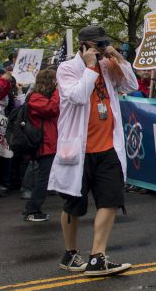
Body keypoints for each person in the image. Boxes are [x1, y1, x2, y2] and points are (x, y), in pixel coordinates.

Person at [51, 25, 139, 276]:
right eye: (96, 46)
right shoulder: (67, 68)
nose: (100, 50)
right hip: (78, 149)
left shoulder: (107, 66)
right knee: (73, 204)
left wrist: (118, 58)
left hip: (109, 146)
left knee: (111, 199)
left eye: (103, 45)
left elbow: (131, 85)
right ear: (84, 45)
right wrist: (90, 67)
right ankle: (70, 253)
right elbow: (77, 96)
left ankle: (98, 256)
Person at [22, 68, 59, 222]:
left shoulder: (41, 97)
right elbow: (52, 108)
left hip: (49, 143)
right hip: (44, 144)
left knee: (46, 177)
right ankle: (32, 210)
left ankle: (33, 208)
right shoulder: (35, 97)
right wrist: (58, 91)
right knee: (43, 178)